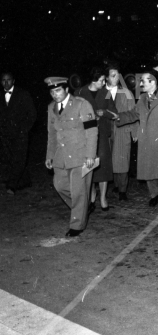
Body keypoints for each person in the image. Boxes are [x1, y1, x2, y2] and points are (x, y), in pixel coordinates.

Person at [116, 69, 158, 209]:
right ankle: (154, 195)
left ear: (153, 81)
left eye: (143, 81)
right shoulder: (142, 98)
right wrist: (119, 117)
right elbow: (134, 114)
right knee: (149, 170)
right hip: (147, 139)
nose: (141, 83)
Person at [45, 77, 98, 237]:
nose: (55, 95)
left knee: (79, 191)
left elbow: (92, 131)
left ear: (66, 89)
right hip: (61, 156)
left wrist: (90, 155)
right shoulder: (51, 107)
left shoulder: (81, 104)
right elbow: (52, 134)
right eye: (52, 92)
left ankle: (77, 225)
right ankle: (84, 206)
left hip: (80, 155)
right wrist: (49, 155)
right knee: (59, 185)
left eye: (58, 90)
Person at [76, 67, 117, 211]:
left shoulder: (105, 93)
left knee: (104, 167)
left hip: (102, 134)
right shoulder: (80, 92)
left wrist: (104, 112)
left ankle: (103, 198)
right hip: (85, 135)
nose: (104, 82)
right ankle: (92, 196)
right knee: (89, 165)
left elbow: (114, 112)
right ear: (94, 80)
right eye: (102, 80)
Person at [0, 71, 36, 195]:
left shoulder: (23, 94)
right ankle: (25, 181)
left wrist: (24, 129)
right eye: (3, 80)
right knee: (11, 159)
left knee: (19, 159)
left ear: (13, 81)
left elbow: (32, 114)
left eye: (8, 80)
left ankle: (12, 185)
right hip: (5, 135)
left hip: (20, 134)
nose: (6, 83)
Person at [106, 64, 137, 201]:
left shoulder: (126, 93)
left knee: (122, 159)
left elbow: (133, 113)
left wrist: (135, 132)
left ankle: (123, 190)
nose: (116, 78)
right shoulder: (102, 92)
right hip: (106, 131)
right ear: (106, 77)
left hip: (122, 129)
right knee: (110, 159)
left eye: (118, 75)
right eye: (113, 76)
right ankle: (116, 185)